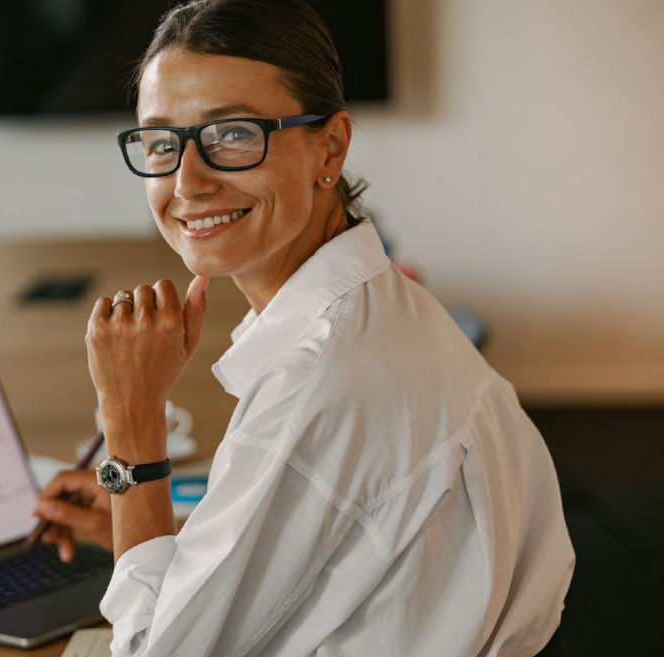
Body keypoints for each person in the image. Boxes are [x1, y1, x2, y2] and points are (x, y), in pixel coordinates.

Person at [31, 1, 575, 655]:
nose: (186, 182)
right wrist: (158, 518)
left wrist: (130, 426)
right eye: (160, 141)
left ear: (331, 145)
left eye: (232, 133)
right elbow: (336, 527)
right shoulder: (387, 303)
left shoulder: (319, 379)